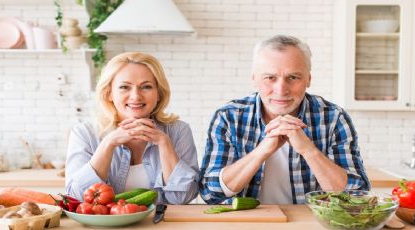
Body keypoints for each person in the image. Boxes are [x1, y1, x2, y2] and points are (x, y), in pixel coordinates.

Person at [199, 35, 370, 204]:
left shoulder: (333, 118)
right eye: (270, 77)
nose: (281, 90)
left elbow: (356, 196)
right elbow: (210, 193)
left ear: (308, 79)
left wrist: (308, 150)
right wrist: (261, 152)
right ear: (254, 78)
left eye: (293, 77)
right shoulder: (229, 117)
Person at [66, 52, 199, 204]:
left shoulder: (178, 131)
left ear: (159, 94)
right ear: (109, 93)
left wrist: (164, 144)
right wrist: (108, 144)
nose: (135, 96)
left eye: (146, 87)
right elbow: (76, 197)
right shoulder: (84, 133)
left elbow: (183, 198)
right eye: (124, 87)